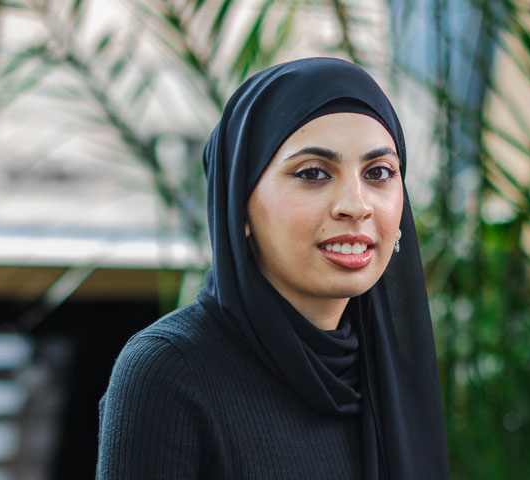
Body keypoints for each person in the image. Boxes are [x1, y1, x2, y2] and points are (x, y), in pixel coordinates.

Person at [96, 57, 449, 479]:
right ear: (239, 206)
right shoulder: (168, 372)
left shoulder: (383, 369)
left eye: (378, 172)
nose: (356, 205)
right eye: (314, 173)